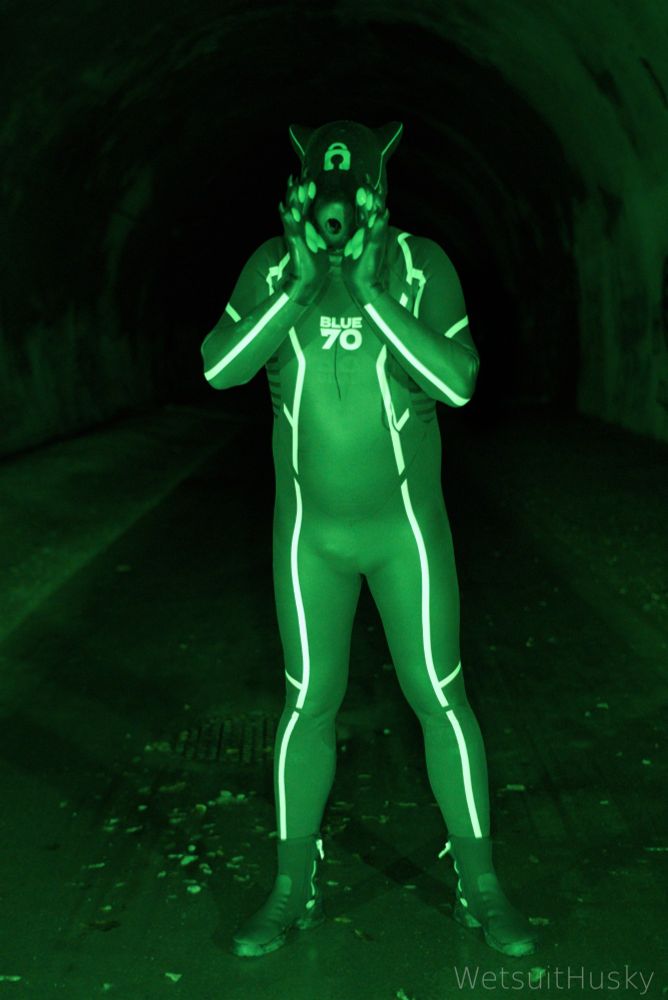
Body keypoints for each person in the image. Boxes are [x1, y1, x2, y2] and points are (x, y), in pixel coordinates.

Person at [200, 119, 538, 959]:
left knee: (440, 699)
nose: (335, 218)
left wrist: (374, 291)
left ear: (379, 198)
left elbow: (457, 383)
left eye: (352, 202)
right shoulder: (276, 267)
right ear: (301, 194)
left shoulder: (422, 267)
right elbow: (219, 367)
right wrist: (301, 287)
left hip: (406, 539)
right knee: (307, 704)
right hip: (310, 539)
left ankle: (482, 884)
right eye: (321, 199)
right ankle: (289, 888)